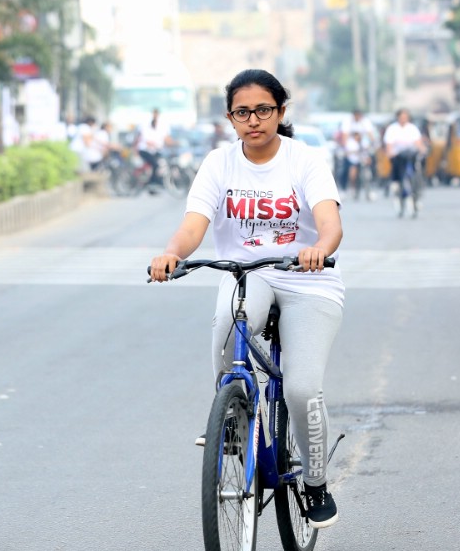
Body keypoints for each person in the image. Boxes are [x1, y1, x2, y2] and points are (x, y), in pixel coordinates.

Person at [149, 69, 344, 527]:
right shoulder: (219, 164)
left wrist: (319, 249)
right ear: (230, 118)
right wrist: (172, 253)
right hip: (247, 274)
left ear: (280, 111)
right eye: (242, 112)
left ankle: (314, 484)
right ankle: (233, 423)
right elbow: (195, 224)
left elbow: (329, 222)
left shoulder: (305, 161)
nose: (253, 120)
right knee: (225, 334)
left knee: (300, 388)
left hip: (306, 278)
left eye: (263, 110)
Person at [383, 108, 427, 217]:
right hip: (398, 158)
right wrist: (390, 153)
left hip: (411, 157)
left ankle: (417, 194)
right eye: (401, 117)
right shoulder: (392, 129)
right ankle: (398, 196)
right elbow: (389, 146)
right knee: (397, 180)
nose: (403, 119)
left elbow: (418, 143)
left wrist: (423, 150)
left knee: (417, 174)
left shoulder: (412, 129)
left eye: (405, 117)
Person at [337, 108, 377, 199]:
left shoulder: (365, 122)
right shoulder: (347, 122)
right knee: (347, 169)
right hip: (351, 150)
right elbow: (344, 137)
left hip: (363, 149)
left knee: (371, 166)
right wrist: (346, 148)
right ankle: (344, 189)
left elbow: (371, 135)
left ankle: (370, 190)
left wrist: (373, 145)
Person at [136, 109, 171, 192]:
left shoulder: (159, 128)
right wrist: (156, 145)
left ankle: (156, 182)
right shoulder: (146, 127)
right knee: (155, 165)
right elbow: (147, 141)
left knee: (159, 163)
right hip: (144, 150)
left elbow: (165, 139)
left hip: (153, 151)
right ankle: (152, 183)